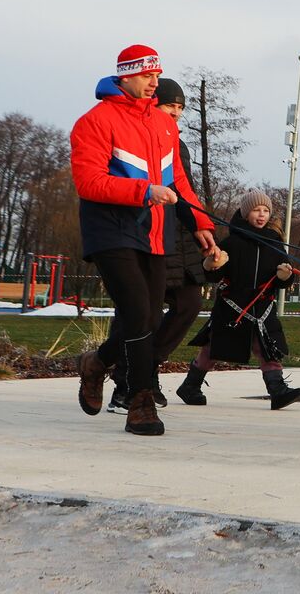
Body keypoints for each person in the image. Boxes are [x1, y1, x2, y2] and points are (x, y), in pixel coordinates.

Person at [71, 45, 216, 437]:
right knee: (137, 311)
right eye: (148, 74)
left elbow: (178, 181)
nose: (155, 81)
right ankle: (140, 401)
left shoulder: (163, 124)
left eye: (157, 74)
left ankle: (97, 363)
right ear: (127, 76)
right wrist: (144, 191)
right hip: (111, 230)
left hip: (154, 231)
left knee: (150, 317)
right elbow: (89, 182)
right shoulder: (95, 121)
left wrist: (200, 222)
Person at [106, 78, 208, 412]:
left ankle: (147, 368)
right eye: (169, 106)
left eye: (180, 108)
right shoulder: (135, 134)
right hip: (140, 231)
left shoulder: (179, 145)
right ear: (153, 105)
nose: (176, 113)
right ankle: (126, 384)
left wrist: (201, 227)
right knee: (137, 312)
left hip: (177, 235)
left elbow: (185, 191)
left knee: (189, 303)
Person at [182, 191, 300, 410]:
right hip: (232, 305)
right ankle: (191, 386)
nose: (261, 215)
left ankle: (277, 390)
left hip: (263, 306)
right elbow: (214, 275)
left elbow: (283, 279)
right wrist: (212, 264)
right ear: (246, 212)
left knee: (267, 346)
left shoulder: (275, 243)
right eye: (257, 210)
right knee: (213, 347)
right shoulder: (232, 241)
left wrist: (286, 276)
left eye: (266, 211)